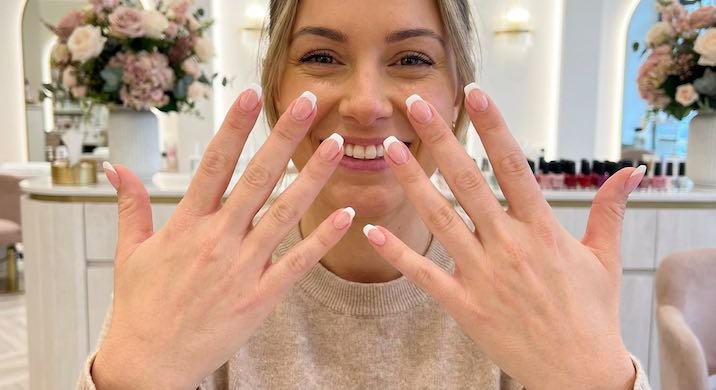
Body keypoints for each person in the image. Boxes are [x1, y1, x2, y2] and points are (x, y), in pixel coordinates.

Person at [80, 0, 652, 388]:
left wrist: (596, 378)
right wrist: (132, 375)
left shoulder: (523, 285)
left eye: (411, 60)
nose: (366, 104)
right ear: (276, 90)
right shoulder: (202, 277)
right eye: (322, 57)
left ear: (458, 95)